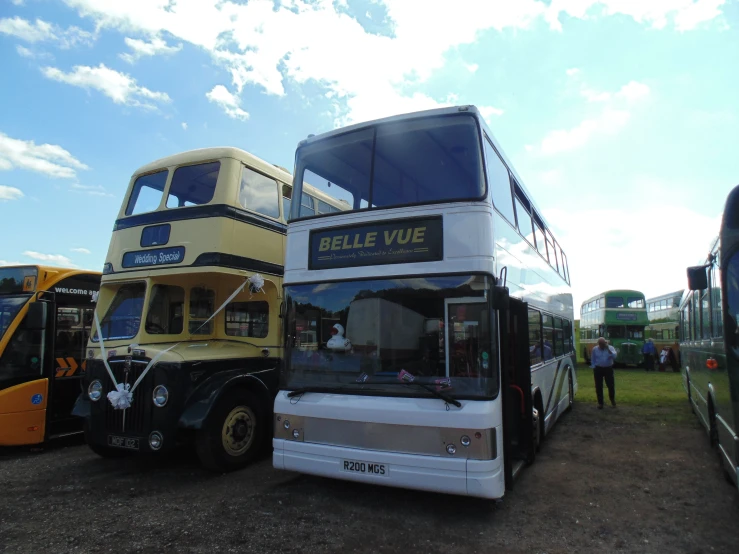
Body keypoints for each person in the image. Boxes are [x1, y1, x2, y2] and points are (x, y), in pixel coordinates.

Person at [590, 337, 617, 409]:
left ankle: (612, 400)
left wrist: (608, 349)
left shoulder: (610, 348)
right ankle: (600, 403)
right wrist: (593, 367)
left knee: (610, 385)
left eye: (604, 343)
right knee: (598, 386)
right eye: (601, 344)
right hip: (598, 368)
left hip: (608, 368)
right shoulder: (595, 349)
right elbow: (593, 358)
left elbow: (614, 356)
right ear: (599, 344)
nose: (603, 345)